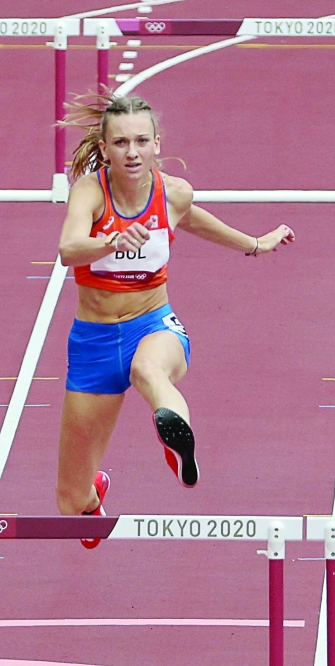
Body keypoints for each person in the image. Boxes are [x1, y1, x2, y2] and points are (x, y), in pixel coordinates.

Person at [56, 94, 295, 547]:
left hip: (154, 325)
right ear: (105, 149)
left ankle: (177, 443)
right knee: (69, 503)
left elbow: (200, 222)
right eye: (122, 142)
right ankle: (93, 494)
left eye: (142, 141)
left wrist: (256, 244)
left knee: (149, 371)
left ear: (156, 145)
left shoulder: (174, 193)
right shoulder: (90, 191)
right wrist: (111, 240)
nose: (132, 152)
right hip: (94, 342)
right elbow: (69, 249)